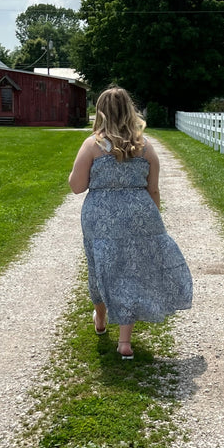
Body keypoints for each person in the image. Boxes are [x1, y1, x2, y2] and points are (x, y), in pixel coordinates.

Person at [69, 86, 193, 360]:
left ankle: (100, 320)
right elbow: (154, 189)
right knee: (132, 272)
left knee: (102, 268)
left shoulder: (93, 145)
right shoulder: (145, 147)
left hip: (101, 217)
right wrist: (152, 220)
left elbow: (77, 187)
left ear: (100, 111)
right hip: (139, 215)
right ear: (130, 111)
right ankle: (124, 342)